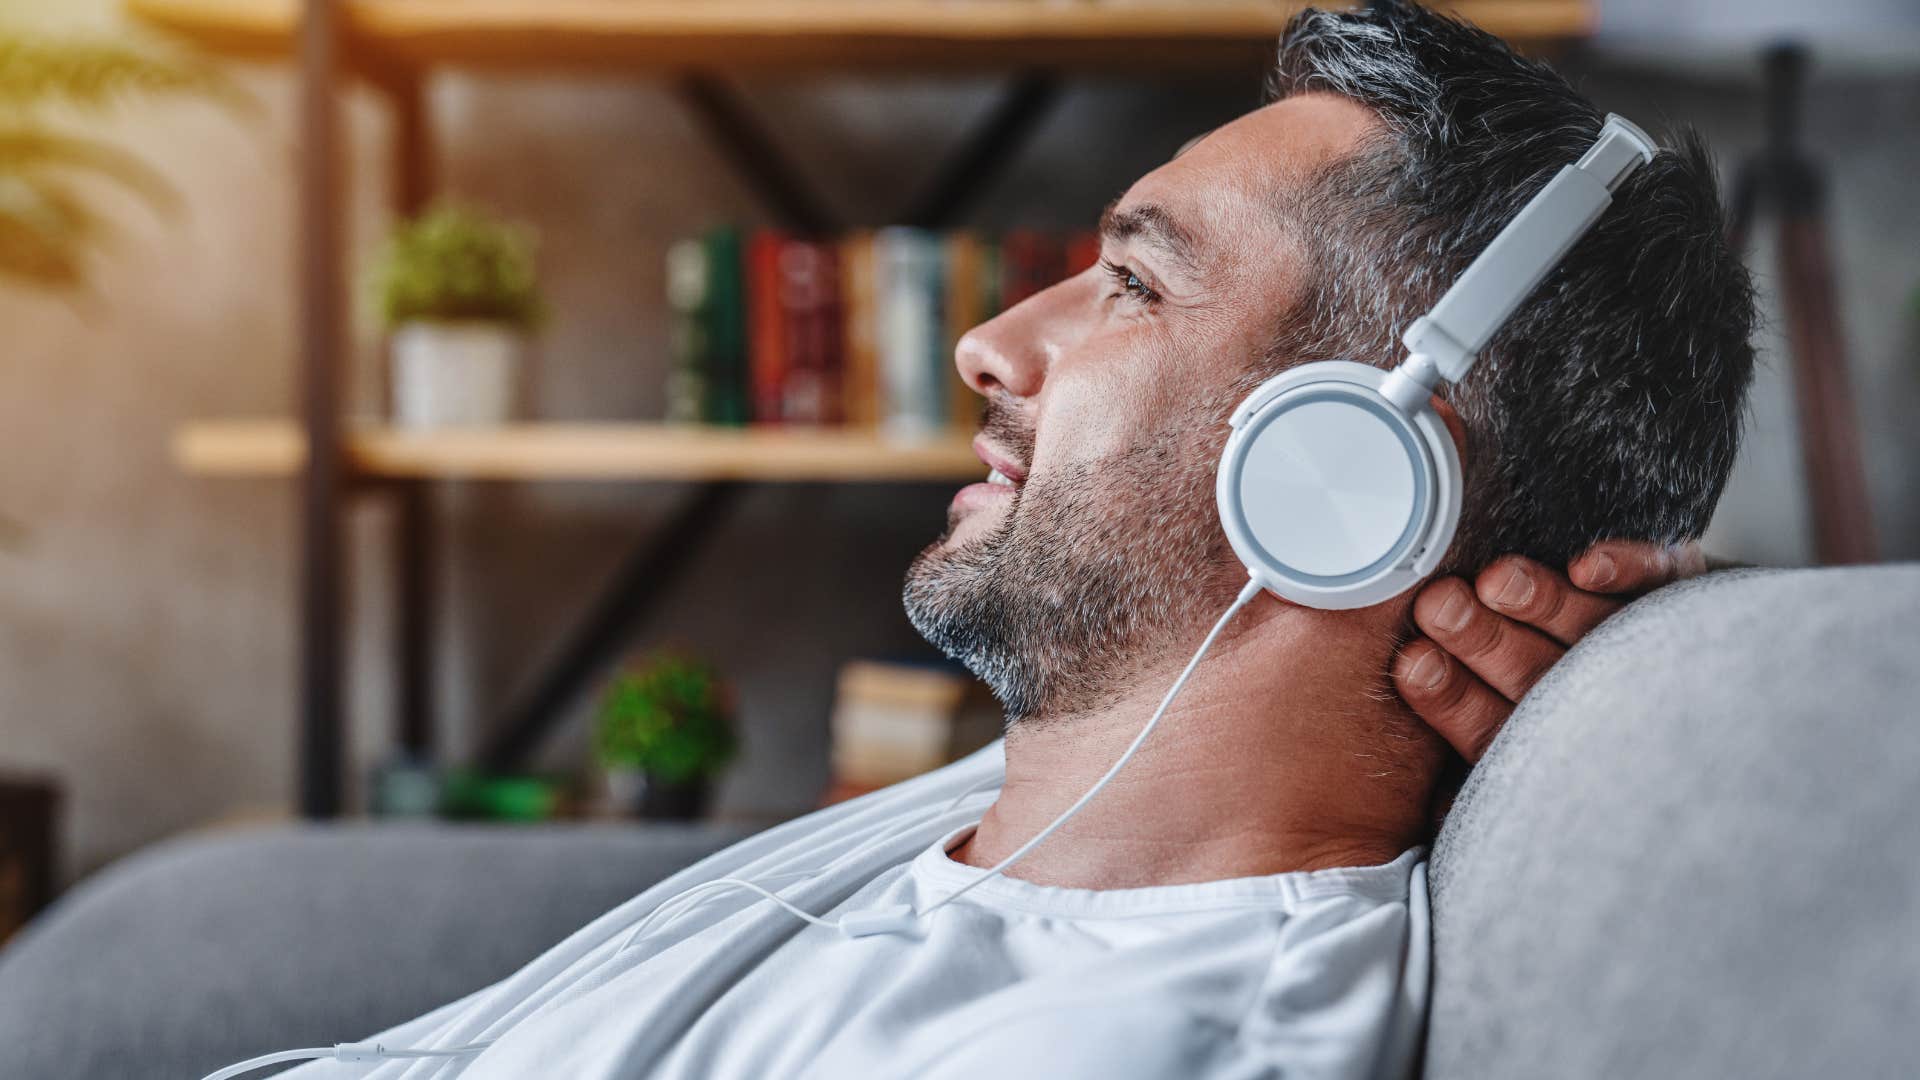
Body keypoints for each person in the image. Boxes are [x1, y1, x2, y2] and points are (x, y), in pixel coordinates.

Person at [270, 3, 1752, 1077]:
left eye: (1131, 283)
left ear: (1346, 471)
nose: (984, 343)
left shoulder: (1130, 1035)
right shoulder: (1055, 805)